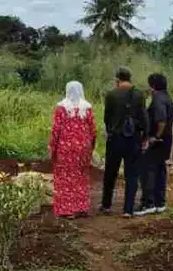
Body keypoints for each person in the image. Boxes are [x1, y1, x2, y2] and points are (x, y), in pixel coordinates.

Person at [100, 66, 147, 217]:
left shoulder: (111, 95)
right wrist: (144, 136)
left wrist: (110, 131)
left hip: (116, 138)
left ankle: (106, 205)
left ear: (117, 80)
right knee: (132, 174)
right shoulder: (139, 95)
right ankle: (128, 209)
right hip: (134, 138)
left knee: (110, 172)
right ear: (130, 78)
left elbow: (107, 118)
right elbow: (144, 118)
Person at [48, 81, 97, 219]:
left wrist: (52, 148)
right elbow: (93, 131)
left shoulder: (61, 108)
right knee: (81, 176)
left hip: (65, 148)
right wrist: (91, 148)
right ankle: (81, 207)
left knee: (65, 177)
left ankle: (67, 210)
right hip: (83, 148)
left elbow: (56, 130)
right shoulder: (87, 108)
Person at [135, 73, 173, 217]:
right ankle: (160, 203)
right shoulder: (167, 97)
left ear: (153, 85)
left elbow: (161, 120)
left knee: (148, 170)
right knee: (160, 169)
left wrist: (155, 137)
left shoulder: (157, 98)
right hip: (167, 141)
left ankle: (148, 204)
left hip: (158, 141)